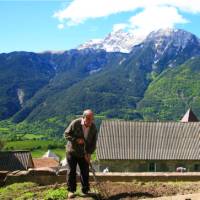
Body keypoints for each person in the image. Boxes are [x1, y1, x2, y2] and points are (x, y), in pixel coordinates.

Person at [64, 109, 98, 199]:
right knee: (71, 171)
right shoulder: (75, 123)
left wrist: (89, 153)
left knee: (85, 171)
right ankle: (71, 191)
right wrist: (76, 140)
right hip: (72, 151)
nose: (90, 121)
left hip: (84, 153)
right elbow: (66, 134)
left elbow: (93, 143)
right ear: (84, 117)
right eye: (88, 118)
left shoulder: (93, 128)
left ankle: (85, 190)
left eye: (92, 119)